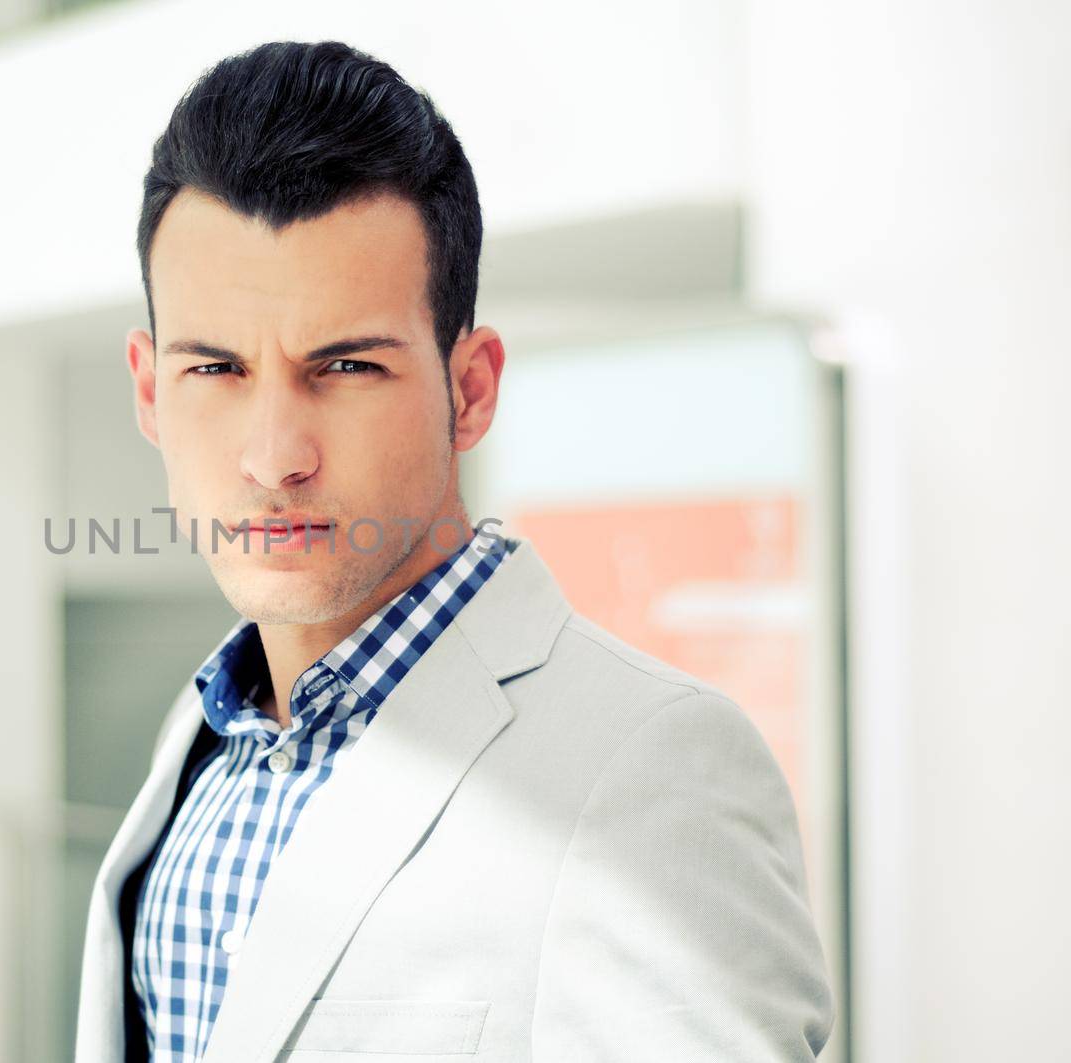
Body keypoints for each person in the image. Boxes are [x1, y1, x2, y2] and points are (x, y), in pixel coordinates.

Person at [74, 39, 834, 1062]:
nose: (273, 456)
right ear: (149, 389)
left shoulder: (654, 767)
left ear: (468, 389)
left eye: (343, 365)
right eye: (214, 367)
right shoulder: (208, 731)